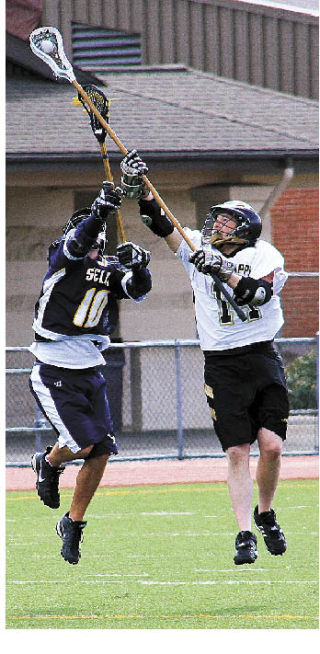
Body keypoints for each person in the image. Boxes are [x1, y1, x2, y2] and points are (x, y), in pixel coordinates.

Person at [120, 150, 289, 565]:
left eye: (226, 221)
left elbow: (258, 293)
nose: (215, 226)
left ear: (245, 229)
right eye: (215, 220)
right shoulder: (198, 247)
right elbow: (160, 223)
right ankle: (244, 534)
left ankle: (264, 513)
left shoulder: (264, 255)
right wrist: (141, 188)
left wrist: (221, 269)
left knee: (272, 446)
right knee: (237, 451)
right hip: (221, 362)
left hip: (261, 355)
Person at [29, 176, 152, 565]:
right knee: (81, 445)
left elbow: (139, 291)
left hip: (91, 367)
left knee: (100, 451)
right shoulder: (63, 258)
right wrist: (99, 210)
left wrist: (140, 265)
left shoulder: (108, 266)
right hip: (54, 367)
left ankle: (73, 522)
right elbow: (78, 243)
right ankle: (48, 462)